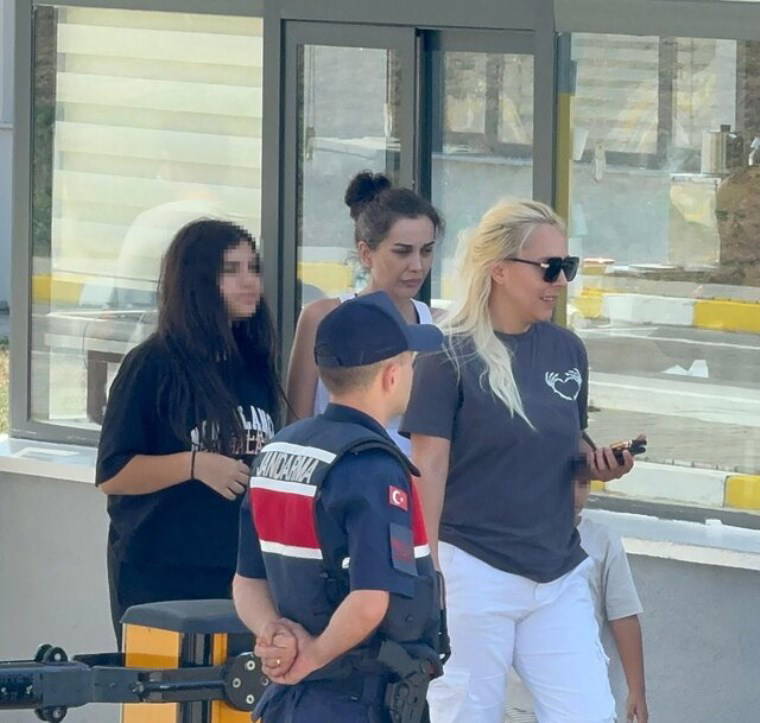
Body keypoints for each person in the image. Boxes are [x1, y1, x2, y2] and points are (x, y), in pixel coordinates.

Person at [401, 199, 636, 723]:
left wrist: (597, 463)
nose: (561, 281)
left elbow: (562, 445)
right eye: (550, 268)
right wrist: (426, 571)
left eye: (568, 266)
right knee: (465, 715)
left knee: (589, 714)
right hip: (471, 569)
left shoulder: (567, 350)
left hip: (556, 570)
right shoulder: (446, 355)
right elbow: (428, 468)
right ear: (499, 269)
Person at [233, 291, 446, 722]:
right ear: (391, 376)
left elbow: (246, 580)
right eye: (410, 363)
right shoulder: (372, 467)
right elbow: (370, 601)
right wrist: (311, 657)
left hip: (288, 700)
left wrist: (273, 635)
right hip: (354, 697)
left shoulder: (278, 450)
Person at [96, 218, 279, 643]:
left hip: (240, 573)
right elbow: (112, 473)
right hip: (160, 575)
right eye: (230, 270)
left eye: (253, 268)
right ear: (197, 280)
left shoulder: (254, 363)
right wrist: (194, 465)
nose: (249, 281)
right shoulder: (152, 364)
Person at [286, 171, 444, 453]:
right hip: (339, 467)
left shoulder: (442, 324)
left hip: (415, 475)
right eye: (402, 251)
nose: (417, 266)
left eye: (426, 251)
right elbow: (297, 425)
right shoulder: (321, 316)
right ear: (366, 253)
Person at [506, 478, 649, 722]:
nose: (575, 493)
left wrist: (637, 690)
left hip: (577, 693)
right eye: (565, 482)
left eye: (583, 484)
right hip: (515, 700)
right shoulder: (511, 535)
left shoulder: (603, 540)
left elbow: (623, 616)